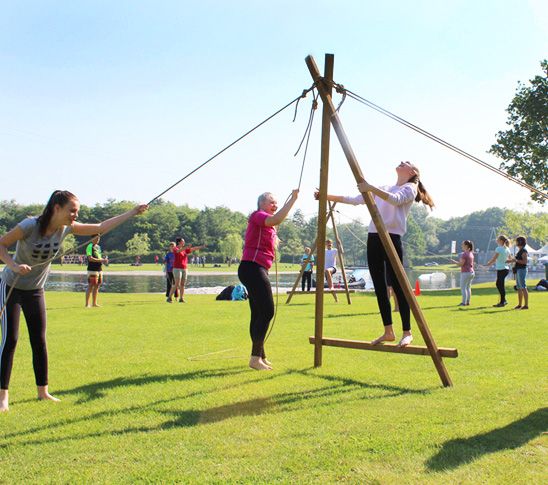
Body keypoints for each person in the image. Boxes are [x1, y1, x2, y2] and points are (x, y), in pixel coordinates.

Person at [0, 190, 147, 412]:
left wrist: (132, 212)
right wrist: (13, 266)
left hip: (35, 290)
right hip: (11, 286)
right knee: (10, 339)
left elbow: (99, 228)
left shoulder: (66, 228)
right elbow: (1, 245)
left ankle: (43, 392)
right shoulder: (29, 225)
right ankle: (3, 397)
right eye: (72, 210)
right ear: (57, 208)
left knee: (39, 340)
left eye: (77, 211)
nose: (75, 215)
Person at [317, 160, 434, 347]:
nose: (401, 162)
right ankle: (388, 331)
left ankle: (407, 331)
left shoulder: (411, 187)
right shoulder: (385, 187)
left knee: (398, 285)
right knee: (379, 287)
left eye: (406, 162)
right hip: (374, 237)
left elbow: (394, 200)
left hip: (392, 237)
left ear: (412, 172)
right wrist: (325, 196)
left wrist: (369, 187)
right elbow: (355, 200)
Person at [238, 189, 299, 370]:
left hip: (255, 268)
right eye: (272, 202)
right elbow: (276, 219)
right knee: (267, 311)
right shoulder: (257, 215)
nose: (275, 205)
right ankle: (255, 358)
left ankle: (260, 355)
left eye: (276, 203)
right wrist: (293, 200)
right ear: (262, 204)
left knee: (258, 313)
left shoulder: (267, 224)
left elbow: (274, 224)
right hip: (252, 267)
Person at [168, 238, 205, 303]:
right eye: (183, 241)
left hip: (184, 268)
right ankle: (169, 297)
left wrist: (201, 247)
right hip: (177, 268)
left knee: (182, 284)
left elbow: (193, 249)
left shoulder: (185, 250)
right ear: (179, 242)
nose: (184, 242)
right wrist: (186, 247)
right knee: (176, 284)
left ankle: (181, 298)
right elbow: (178, 251)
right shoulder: (175, 248)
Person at [485, 235, 512, 307]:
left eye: (498, 239)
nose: (496, 240)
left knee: (499, 285)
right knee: (500, 284)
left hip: (501, 269)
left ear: (501, 241)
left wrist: (488, 264)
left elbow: (494, 258)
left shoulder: (498, 249)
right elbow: (510, 260)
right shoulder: (507, 249)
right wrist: (503, 261)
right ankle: (503, 300)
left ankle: (502, 302)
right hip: (505, 269)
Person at [85, 235, 107, 308]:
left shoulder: (98, 247)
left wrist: (104, 260)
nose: (98, 239)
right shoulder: (89, 246)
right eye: (96, 238)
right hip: (92, 269)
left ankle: (94, 303)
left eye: (99, 238)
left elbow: (99, 257)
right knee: (91, 286)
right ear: (92, 239)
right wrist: (101, 260)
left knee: (97, 286)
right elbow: (90, 258)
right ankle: (87, 304)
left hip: (99, 269)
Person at [453, 240, 475, 306]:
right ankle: (467, 302)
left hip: (465, 273)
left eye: (463, 245)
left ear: (466, 246)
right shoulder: (471, 253)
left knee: (463, 288)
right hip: (471, 272)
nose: (461, 246)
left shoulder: (464, 254)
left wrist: (454, 262)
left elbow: (461, 264)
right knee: (468, 287)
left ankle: (463, 303)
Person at [510, 236, 529, 309]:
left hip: (522, 270)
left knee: (523, 287)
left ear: (520, 242)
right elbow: (517, 260)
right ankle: (520, 304)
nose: (516, 243)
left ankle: (526, 305)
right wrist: (510, 261)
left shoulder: (524, 251)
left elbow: (525, 262)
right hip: (518, 270)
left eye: (517, 241)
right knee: (519, 287)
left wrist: (516, 261)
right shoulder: (520, 250)